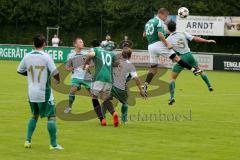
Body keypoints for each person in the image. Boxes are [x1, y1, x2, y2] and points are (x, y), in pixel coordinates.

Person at [17, 34, 63, 150]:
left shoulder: (27, 56)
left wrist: (31, 75)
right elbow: (56, 72)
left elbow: (20, 70)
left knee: (34, 115)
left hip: (31, 92)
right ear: (44, 44)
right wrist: (57, 81)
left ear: (33, 44)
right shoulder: (46, 57)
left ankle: (27, 141)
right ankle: (53, 145)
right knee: (51, 117)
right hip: (44, 92)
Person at [142, 8, 202, 94]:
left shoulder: (149, 22)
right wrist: (167, 44)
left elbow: (144, 34)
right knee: (177, 58)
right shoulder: (159, 22)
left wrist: (155, 34)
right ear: (161, 14)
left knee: (153, 70)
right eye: (165, 16)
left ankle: (145, 86)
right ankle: (194, 70)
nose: (166, 18)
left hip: (150, 46)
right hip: (158, 44)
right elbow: (160, 34)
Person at [166, 21, 215, 105]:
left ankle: (172, 97)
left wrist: (173, 58)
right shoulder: (182, 32)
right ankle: (209, 86)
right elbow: (195, 38)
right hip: (189, 55)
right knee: (199, 70)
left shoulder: (168, 39)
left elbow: (169, 51)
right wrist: (207, 41)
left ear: (168, 29)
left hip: (181, 58)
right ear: (175, 27)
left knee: (172, 79)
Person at [103, 47, 146, 123]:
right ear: (130, 56)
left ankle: (102, 117)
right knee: (124, 103)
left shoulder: (115, 62)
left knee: (106, 100)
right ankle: (124, 120)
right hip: (121, 88)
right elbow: (136, 78)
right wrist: (141, 90)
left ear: (121, 55)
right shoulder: (130, 66)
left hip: (111, 86)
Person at [83, 40, 119, 127]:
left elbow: (90, 55)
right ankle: (114, 113)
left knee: (94, 98)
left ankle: (102, 119)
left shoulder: (95, 50)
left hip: (99, 77)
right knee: (105, 98)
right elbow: (117, 63)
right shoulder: (110, 53)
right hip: (109, 78)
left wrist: (85, 63)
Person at [64, 37, 92, 113]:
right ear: (75, 44)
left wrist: (88, 66)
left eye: (82, 42)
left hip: (86, 77)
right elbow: (67, 67)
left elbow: (92, 64)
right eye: (80, 42)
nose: (82, 43)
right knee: (72, 91)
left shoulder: (86, 54)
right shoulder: (71, 55)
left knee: (93, 94)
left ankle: (98, 109)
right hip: (76, 77)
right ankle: (69, 107)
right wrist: (73, 67)